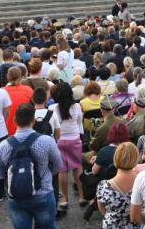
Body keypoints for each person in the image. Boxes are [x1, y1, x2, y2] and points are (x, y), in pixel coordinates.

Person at [0, 104, 62, 228]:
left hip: (16, 197)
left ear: (15, 121)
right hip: (43, 193)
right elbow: (58, 166)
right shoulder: (47, 141)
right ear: (33, 121)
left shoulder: (3, 146)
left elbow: (0, 174)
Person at [51, 81, 84, 211]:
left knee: (62, 170)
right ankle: (82, 196)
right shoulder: (77, 107)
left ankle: (65, 199)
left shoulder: (53, 108)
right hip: (74, 139)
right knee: (77, 167)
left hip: (60, 140)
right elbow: (79, 123)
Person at [96, 142, 142, 229]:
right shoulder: (144, 183)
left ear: (116, 159)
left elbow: (103, 210)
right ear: (135, 159)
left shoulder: (104, 186)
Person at [3, 67, 33, 136]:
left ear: (8, 77)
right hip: (25, 130)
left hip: (6, 131)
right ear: (21, 77)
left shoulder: (2, 91)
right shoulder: (28, 90)